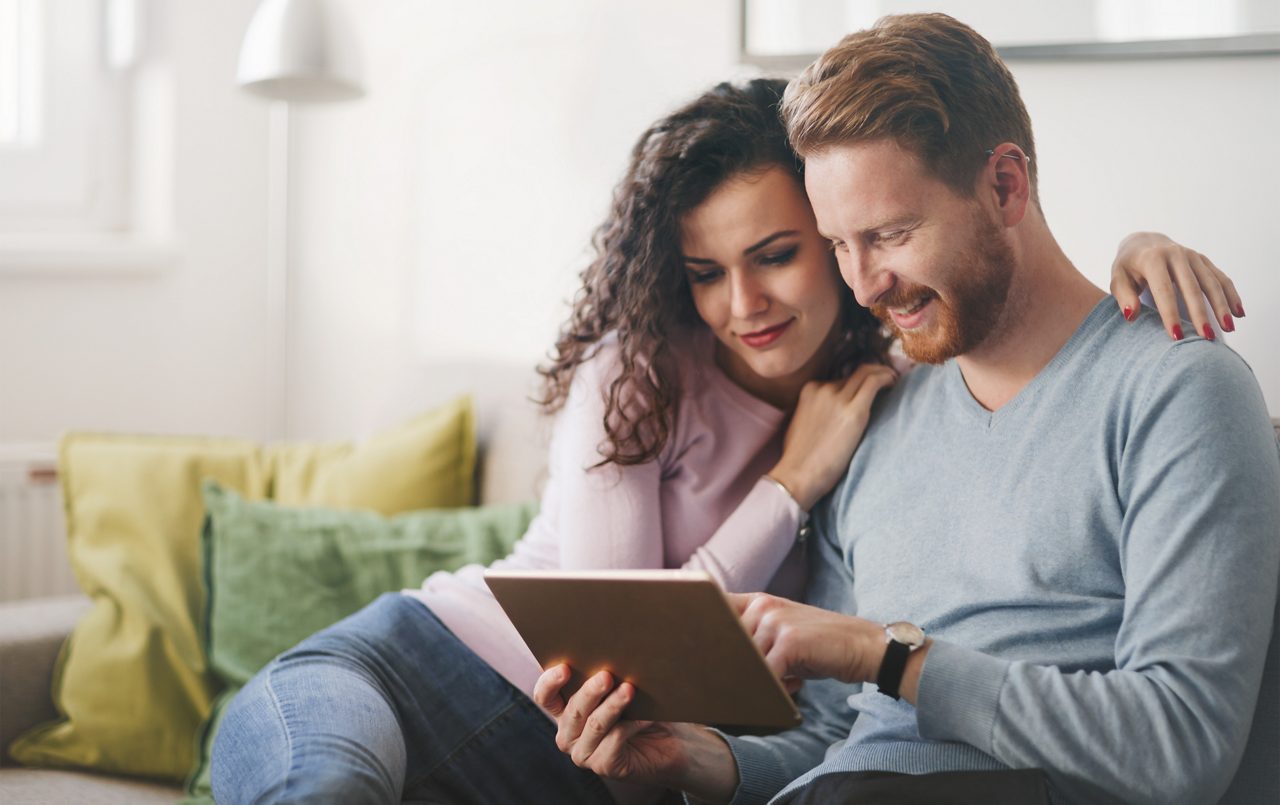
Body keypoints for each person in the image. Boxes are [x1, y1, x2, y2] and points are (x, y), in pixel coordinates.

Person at [211, 70, 1247, 803]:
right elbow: (636, 648)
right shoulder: (655, 377)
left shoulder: (890, 386)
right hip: (416, 667)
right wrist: (791, 490)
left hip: (597, 758)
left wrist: (1139, 252)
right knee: (329, 785)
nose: (745, 301)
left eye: (798, 250)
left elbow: (1014, 301)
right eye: (706, 272)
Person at [537, 15, 1280, 805]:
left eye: (890, 234)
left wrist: (891, 655)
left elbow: (1183, 746)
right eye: (838, 246)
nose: (862, 287)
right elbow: (833, 737)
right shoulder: (878, 412)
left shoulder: (1177, 391)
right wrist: (696, 757)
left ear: (1004, 186)